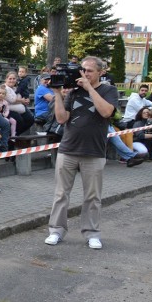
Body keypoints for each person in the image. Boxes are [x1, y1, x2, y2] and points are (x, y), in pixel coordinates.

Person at [45, 56, 119, 250]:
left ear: (101, 72)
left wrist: (89, 88)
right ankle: (56, 231)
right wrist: (58, 94)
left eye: (89, 71)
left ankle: (92, 233)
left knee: (92, 196)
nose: (84, 74)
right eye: (83, 70)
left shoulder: (109, 90)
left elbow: (106, 112)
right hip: (68, 149)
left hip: (94, 152)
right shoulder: (74, 92)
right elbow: (62, 119)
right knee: (61, 194)